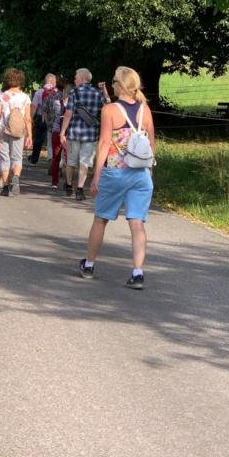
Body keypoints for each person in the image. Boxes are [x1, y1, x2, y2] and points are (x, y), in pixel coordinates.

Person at [77, 66, 155, 290]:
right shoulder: (145, 110)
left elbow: (104, 143)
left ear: (120, 85)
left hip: (115, 172)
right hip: (141, 174)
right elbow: (151, 144)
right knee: (137, 223)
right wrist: (150, 171)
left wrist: (96, 174)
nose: (111, 85)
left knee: (101, 218)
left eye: (113, 81)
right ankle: (138, 272)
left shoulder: (110, 110)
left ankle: (89, 264)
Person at [60, 68, 109, 200]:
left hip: (74, 133)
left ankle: (69, 186)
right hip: (90, 134)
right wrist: (104, 92)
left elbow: (68, 114)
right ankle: (80, 189)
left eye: (76, 77)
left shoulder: (74, 92)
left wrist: (63, 131)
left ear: (82, 78)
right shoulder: (97, 93)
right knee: (85, 163)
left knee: (71, 161)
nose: (74, 80)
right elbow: (108, 107)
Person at [0, 68, 33, 196]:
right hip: (19, 131)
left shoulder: (3, 96)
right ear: (21, 81)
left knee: (5, 158)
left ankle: (5, 187)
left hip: (3, 130)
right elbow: (27, 118)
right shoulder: (25, 97)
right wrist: (30, 135)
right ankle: (16, 178)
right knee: (17, 157)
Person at [29, 73, 57, 165]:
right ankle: (53, 160)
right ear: (52, 81)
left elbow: (34, 106)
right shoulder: (57, 92)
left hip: (41, 118)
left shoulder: (39, 92)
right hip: (54, 119)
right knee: (52, 140)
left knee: (38, 139)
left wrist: (31, 119)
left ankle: (34, 159)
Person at [45, 82, 69, 189]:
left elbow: (54, 116)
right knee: (69, 158)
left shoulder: (56, 103)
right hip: (69, 133)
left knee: (56, 158)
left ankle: (55, 181)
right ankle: (68, 182)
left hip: (56, 131)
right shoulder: (74, 105)